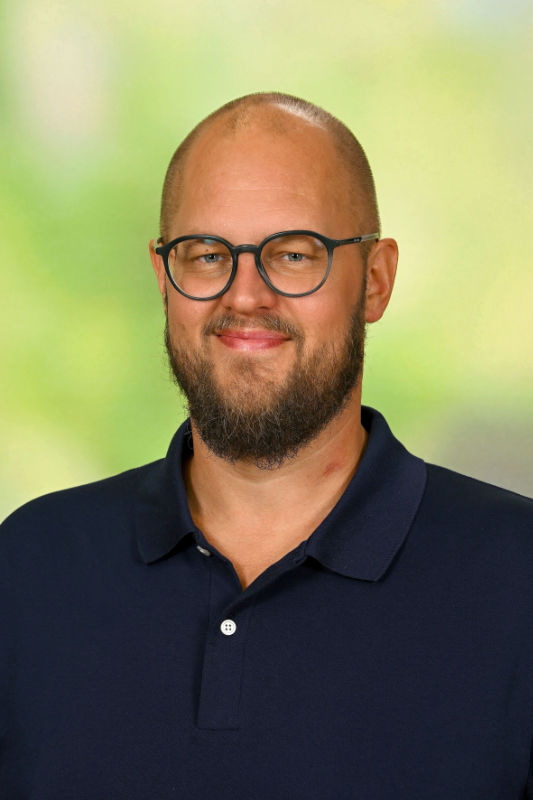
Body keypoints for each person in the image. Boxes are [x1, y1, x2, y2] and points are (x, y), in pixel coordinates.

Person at [1, 92, 532, 799]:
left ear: (375, 281)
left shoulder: (517, 578)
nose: (244, 295)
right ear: (163, 278)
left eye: (292, 254)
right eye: (206, 255)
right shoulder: (29, 567)